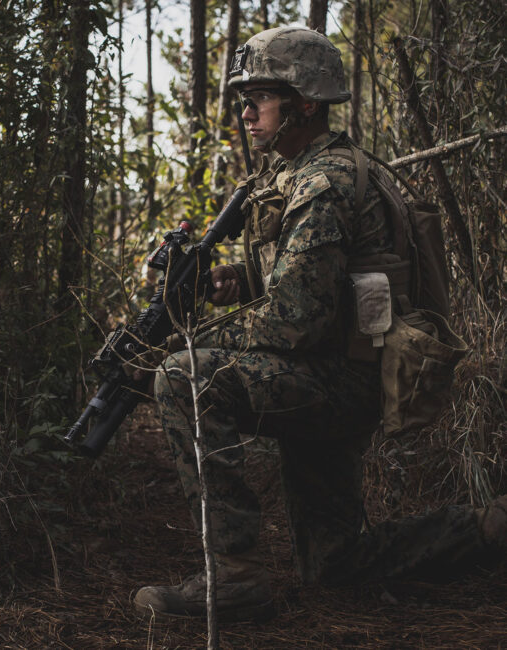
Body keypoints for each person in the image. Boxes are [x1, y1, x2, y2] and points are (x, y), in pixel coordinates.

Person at [133, 26, 506, 622]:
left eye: (260, 96)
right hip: (339, 373)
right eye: (244, 98)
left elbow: (294, 322)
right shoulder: (311, 172)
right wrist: (243, 280)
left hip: (338, 381)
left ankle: (232, 578)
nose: (247, 110)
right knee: (336, 563)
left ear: (304, 103)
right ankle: (488, 529)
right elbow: (323, 283)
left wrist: (190, 339)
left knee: (185, 377)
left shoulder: (323, 182)